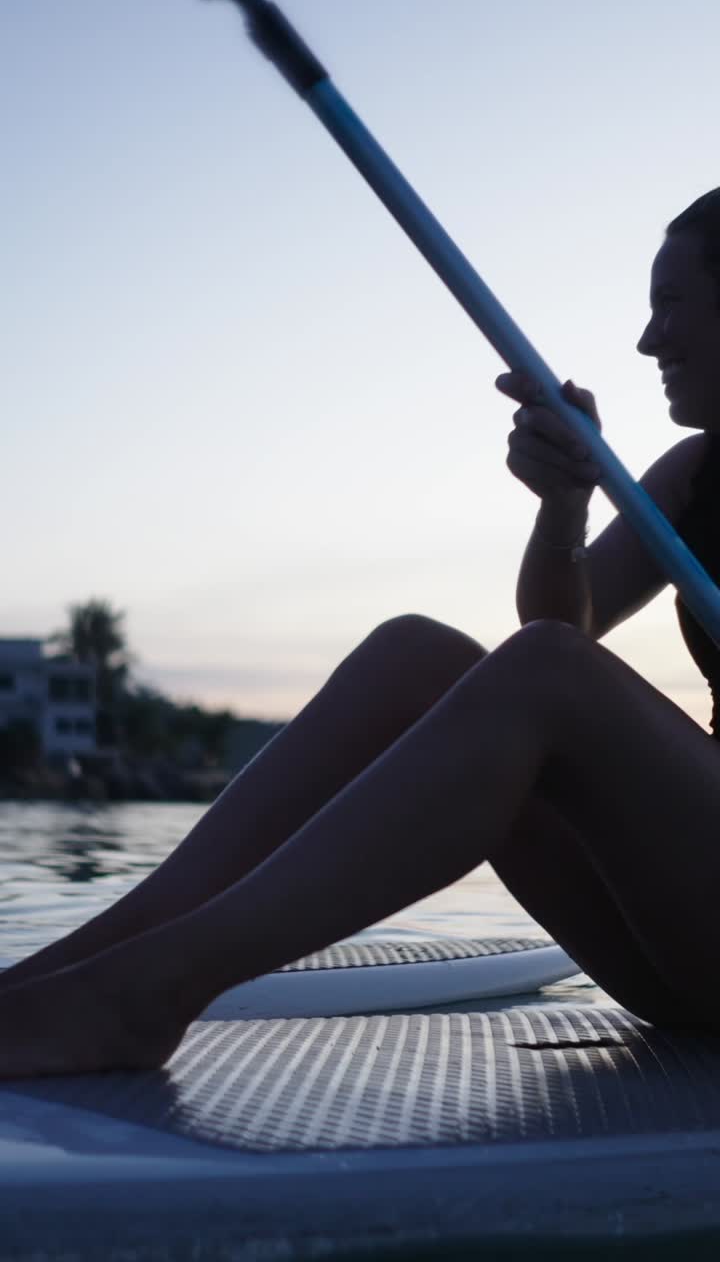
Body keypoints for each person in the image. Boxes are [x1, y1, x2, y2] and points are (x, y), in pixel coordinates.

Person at [2, 188, 720, 1078]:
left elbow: (553, 668)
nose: (648, 341)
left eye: (671, 307)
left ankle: (146, 995)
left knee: (542, 673)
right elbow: (560, 630)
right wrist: (564, 506)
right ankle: (77, 969)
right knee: (417, 654)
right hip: (686, 932)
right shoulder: (694, 475)